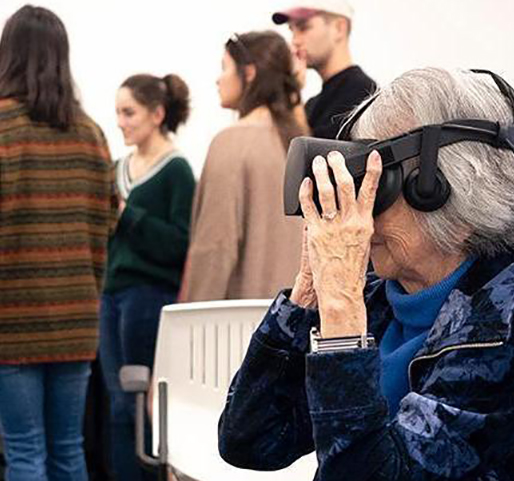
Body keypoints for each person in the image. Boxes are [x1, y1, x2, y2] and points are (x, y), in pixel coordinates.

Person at [217, 67, 514, 479]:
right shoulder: (379, 300)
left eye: (376, 182)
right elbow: (250, 439)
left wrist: (343, 320)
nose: (359, 211)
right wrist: (310, 295)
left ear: (450, 191)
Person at [0, 5, 118, 481]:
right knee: (69, 450)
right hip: (76, 317)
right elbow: (108, 218)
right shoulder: (92, 134)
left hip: (10, 318)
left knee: (25, 453)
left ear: (7, 56)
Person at [100, 73, 195, 481]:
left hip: (149, 297)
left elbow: (180, 243)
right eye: (118, 112)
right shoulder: (117, 168)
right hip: (112, 296)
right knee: (117, 405)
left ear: (157, 114)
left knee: (141, 405)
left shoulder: (176, 170)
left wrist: (129, 217)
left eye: (129, 112)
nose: (120, 122)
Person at [180, 30, 305, 302]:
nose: (218, 79)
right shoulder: (297, 141)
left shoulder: (231, 142)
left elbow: (215, 247)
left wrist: (191, 319)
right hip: (294, 317)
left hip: (238, 326)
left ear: (248, 73)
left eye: (225, 68)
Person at [273, 0, 376, 138]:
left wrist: (294, 91)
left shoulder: (364, 93)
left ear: (339, 28)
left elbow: (311, 156)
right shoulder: (311, 105)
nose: (294, 41)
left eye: (303, 27)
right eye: (292, 30)